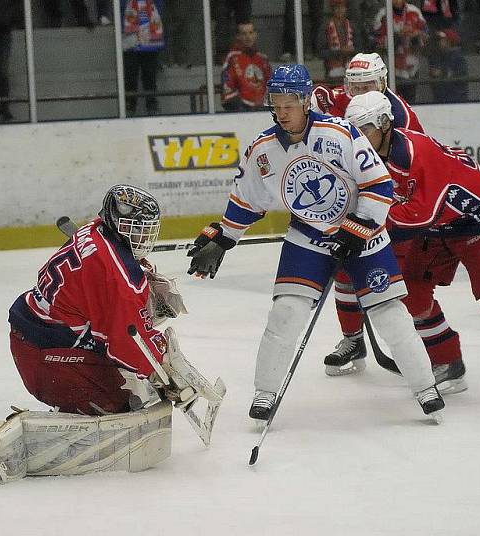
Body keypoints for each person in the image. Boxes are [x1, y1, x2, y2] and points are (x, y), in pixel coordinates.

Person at [187, 64, 446, 422]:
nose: (281, 112)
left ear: (306, 101)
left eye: (288, 104)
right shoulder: (263, 150)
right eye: (275, 104)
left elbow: (379, 185)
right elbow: (247, 200)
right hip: (308, 237)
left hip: (364, 234)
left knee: (390, 314)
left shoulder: (341, 133)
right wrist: (224, 237)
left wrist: (357, 228)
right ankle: (265, 392)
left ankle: (425, 388)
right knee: (286, 313)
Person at [0, 185, 225, 482]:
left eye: (146, 230)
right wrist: (165, 373)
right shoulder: (118, 278)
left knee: (135, 378)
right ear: (118, 223)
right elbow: (126, 344)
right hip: (47, 359)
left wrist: (141, 291)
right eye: (136, 229)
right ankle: (25, 436)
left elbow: (107, 276)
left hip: (39, 335)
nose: (143, 237)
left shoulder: (94, 230)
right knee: (122, 404)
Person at [345, 91, 480, 401]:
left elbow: (419, 215)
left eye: (363, 130)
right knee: (413, 292)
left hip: (478, 215)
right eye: (354, 132)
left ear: (384, 123)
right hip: (438, 222)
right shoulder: (369, 156)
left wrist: (364, 227)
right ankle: (448, 363)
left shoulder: (417, 152)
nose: (358, 139)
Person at [312, 52, 432, 379]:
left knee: (397, 279)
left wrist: (386, 210)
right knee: (345, 272)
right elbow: (314, 105)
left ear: (383, 83)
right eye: (356, 85)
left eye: (369, 85)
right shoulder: (341, 102)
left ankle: (418, 343)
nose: (362, 92)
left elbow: (415, 166)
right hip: (353, 202)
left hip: (392, 205)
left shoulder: (401, 117)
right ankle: (353, 340)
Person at [371, 0, 428, 102]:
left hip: (412, 66)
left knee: (410, 100)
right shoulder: (383, 14)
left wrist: (415, 35)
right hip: (392, 67)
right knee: (393, 100)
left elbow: (425, 34)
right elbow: (376, 40)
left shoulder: (414, 11)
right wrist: (396, 37)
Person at [122, 0, 166, 116]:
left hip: (150, 41)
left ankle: (152, 106)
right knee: (130, 75)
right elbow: (120, 9)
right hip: (131, 40)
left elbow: (159, 10)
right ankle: (129, 107)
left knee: (149, 75)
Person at [221, 21, 272, 112]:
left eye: (250, 33)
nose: (248, 37)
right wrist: (241, 106)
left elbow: (270, 85)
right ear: (238, 36)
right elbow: (227, 87)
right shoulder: (232, 58)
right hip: (241, 110)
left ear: (255, 35)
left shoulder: (263, 59)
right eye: (244, 34)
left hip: (263, 109)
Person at [318, 0, 356, 82]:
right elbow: (320, 52)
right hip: (333, 69)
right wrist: (340, 52)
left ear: (346, 9)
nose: (340, 10)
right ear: (332, 9)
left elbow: (361, 47)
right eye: (337, 8)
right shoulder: (325, 27)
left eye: (342, 7)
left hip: (353, 67)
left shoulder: (353, 26)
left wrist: (353, 50)